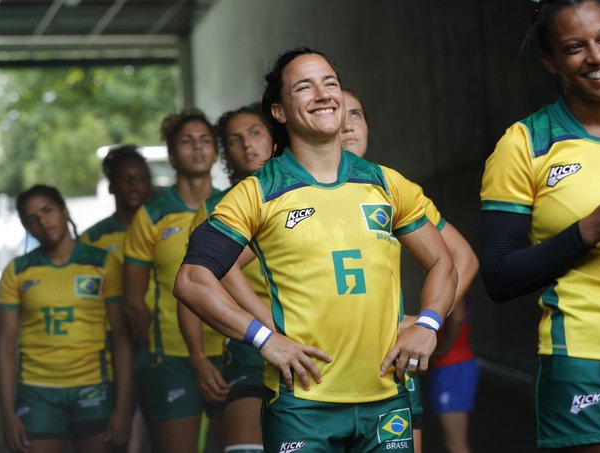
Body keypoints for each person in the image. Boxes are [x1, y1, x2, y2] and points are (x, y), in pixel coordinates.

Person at [174, 47, 458, 453]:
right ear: (279, 111)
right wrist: (265, 339)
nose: (323, 94)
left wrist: (428, 324)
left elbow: (443, 260)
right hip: (302, 405)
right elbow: (191, 279)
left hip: (387, 400)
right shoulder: (256, 193)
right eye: (304, 87)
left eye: (331, 83)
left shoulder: (386, 183)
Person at [480, 1, 600, 450]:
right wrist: (589, 231)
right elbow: (499, 276)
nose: (597, 57)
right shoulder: (525, 144)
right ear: (550, 61)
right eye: (575, 47)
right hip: (583, 357)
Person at [341, 88, 479, 453]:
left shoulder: (393, 186)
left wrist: (427, 322)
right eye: (337, 114)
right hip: (318, 373)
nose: (346, 125)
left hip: (388, 367)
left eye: (356, 114)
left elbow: (462, 257)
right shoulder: (285, 190)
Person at [0, 184, 133, 453]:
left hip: (93, 388)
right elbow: (4, 346)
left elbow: (122, 338)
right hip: (36, 392)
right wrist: (8, 414)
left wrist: (123, 406)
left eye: (47, 210)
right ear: (26, 227)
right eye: (32, 219)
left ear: (64, 210)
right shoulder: (17, 271)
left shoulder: (103, 263)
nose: (42, 221)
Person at [122, 108, 223, 453]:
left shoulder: (234, 204)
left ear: (216, 151)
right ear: (171, 153)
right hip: (172, 360)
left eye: (205, 140)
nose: (197, 148)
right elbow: (133, 298)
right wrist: (156, 348)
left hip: (235, 349)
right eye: (186, 141)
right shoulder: (152, 213)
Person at [181, 104, 275, 453]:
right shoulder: (215, 212)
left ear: (273, 138)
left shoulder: (305, 192)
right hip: (250, 346)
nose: (247, 145)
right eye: (234, 140)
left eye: (254, 132)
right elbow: (192, 287)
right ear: (226, 154)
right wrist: (198, 358)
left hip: (317, 339)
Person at [81, 145, 152, 453]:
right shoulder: (92, 239)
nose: (134, 184)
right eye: (125, 178)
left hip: (161, 343)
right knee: (116, 431)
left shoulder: (165, 224)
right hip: (112, 348)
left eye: (141, 177)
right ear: (111, 185)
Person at [426, 295, 478, 453]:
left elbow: (458, 317)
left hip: (453, 365)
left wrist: (441, 350)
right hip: (452, 365)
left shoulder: (454, 280)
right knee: (452, 442)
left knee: (455, 443)